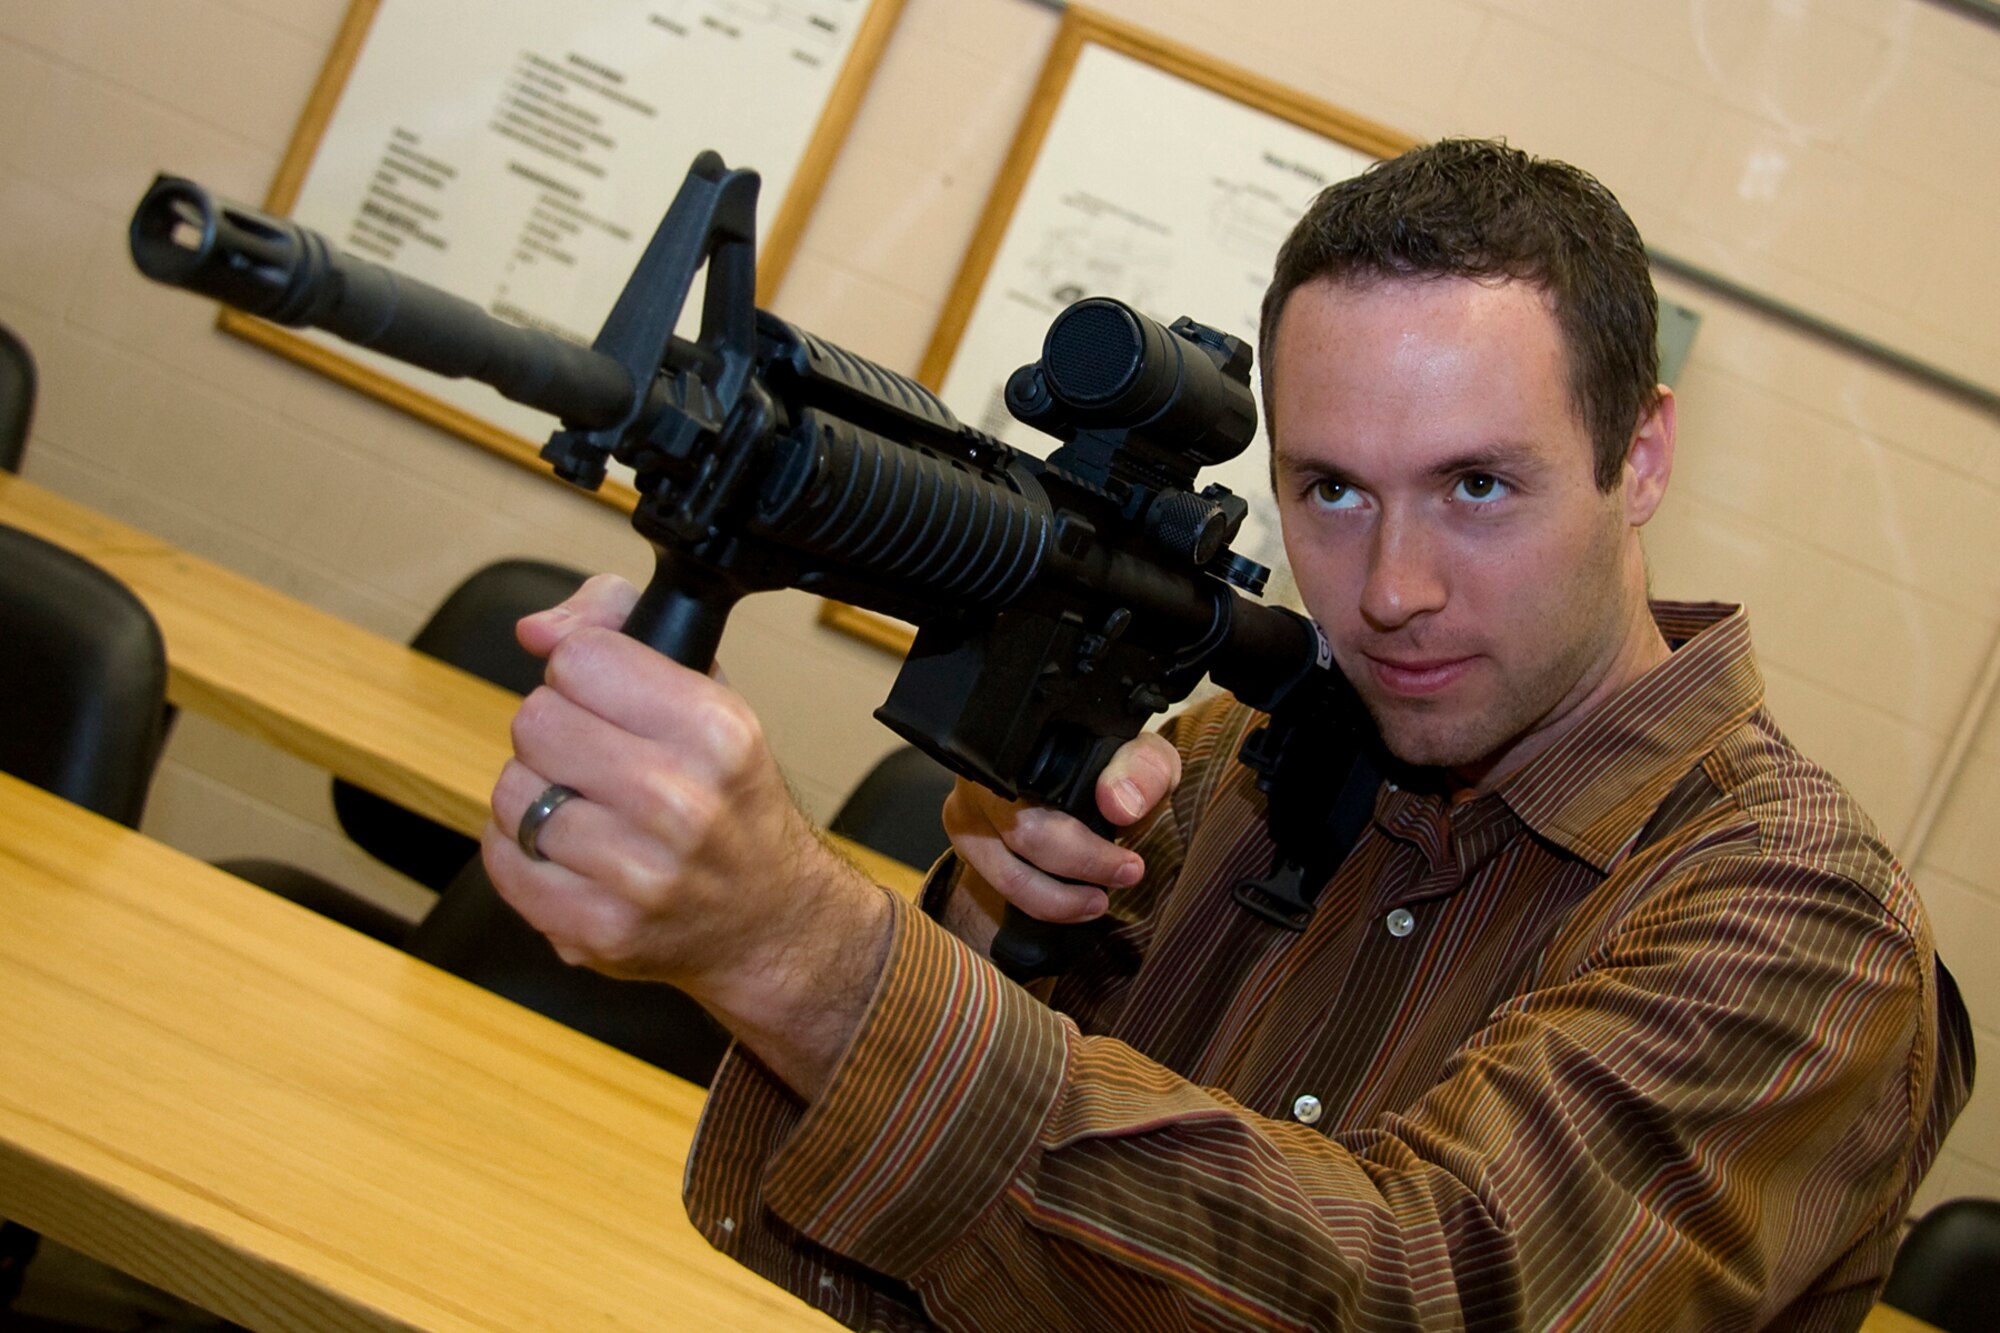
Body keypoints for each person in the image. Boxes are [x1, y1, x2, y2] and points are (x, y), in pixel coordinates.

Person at [482, 139, 1972, 1330]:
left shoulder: (1800, 920)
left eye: (1479, 487)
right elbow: (921, 1269)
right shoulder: (1229, 766)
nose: (1392, 592)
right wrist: (1002, 926)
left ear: (1637, 457)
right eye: (1331, 490)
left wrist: (802, 951)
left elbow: (1424, 1289)